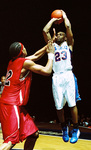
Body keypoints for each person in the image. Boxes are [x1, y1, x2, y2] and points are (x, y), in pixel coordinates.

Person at [0, 41, 55, 150]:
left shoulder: (13, 61)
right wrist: (51, 54)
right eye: (23, 47)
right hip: (11, 105)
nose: (25, 48)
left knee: (33, 134)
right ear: (21, 51)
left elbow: (35, 55)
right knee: (11, 140)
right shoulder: (25, 63)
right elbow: (47, 71)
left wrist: (48, 45)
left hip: (13, 104)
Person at [43, 10, 81, 143]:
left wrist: (64, 17)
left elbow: (68, 27)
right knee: (59, 106)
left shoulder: (69, 45)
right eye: (57, 34)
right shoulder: (52, 45)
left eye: (61, 34)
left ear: (65, 37)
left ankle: (75, 128)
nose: (58, 35)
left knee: (72, 104)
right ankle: (64, 127)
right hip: (57, 77)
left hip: (68, 75)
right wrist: (54, 19)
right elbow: (45, 30)